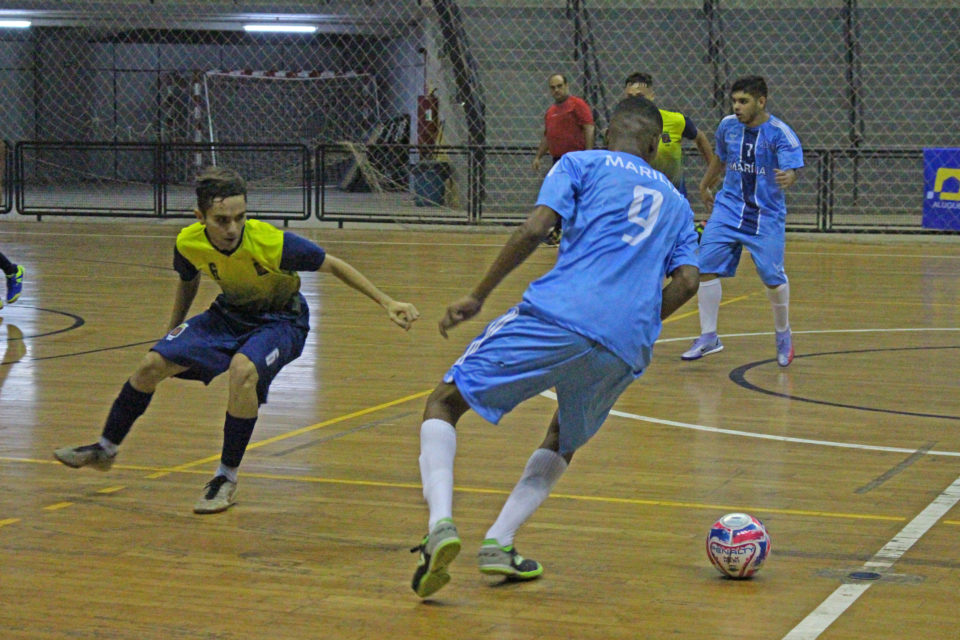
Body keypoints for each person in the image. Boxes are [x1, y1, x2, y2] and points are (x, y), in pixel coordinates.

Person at [410, 96, 700, 598]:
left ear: (609, 134)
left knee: (444, 401)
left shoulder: (580, 163)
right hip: (625, 342)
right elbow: (689, 282)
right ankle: (500, 542)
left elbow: (536, 228)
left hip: (559, 314)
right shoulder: (676, 202)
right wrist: (642, 321)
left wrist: (478, 294)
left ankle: (440, 524)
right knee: (563, 437)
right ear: (655, 146)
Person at [54, 166, 420, 513]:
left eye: (240, 217)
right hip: (228, 315)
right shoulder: (188, 242)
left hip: (282, 320)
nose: (232, 228)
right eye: (222, 220)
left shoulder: (273, 244)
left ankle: (225, 479)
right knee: (151, 364)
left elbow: (333, 264)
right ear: (200, 216)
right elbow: (188, 280)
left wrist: (387, 302)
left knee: (242, 370)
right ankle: (106, 449)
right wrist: (173, 328)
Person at [682, 75, 803, 366]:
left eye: (743, 101)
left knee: (772, 278)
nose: (737, 107)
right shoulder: (727, 126)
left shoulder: (779, 133)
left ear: (761, 101)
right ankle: (709, 336)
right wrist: (705, 184)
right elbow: (721, 159)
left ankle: (783, 333)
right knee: (704, 266)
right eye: (734, 101)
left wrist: (790, 175)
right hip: (729, 207)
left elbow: (792, 167)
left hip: (765, 214)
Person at [623, 72, 715, 200]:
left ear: (652, 96)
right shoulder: (621, 127)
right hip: (637, 200)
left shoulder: (675, 121)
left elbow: (700, 138)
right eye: (630, 97)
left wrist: (711, 177)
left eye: (640, 96)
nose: (634, 102)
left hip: (674, 199)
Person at [532, 73, 596, 245]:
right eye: (553, 87)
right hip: (558, 160)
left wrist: (587, 154)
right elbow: (548, 136)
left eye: (559, 86)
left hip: (576, 160)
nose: (557, 90)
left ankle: (571, 232)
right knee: (561, 196)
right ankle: (560, 232)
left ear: (566, 85)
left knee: (575, 196)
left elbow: (588, 127)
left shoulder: (577, 105)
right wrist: (538, 156)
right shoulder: (551, 112)